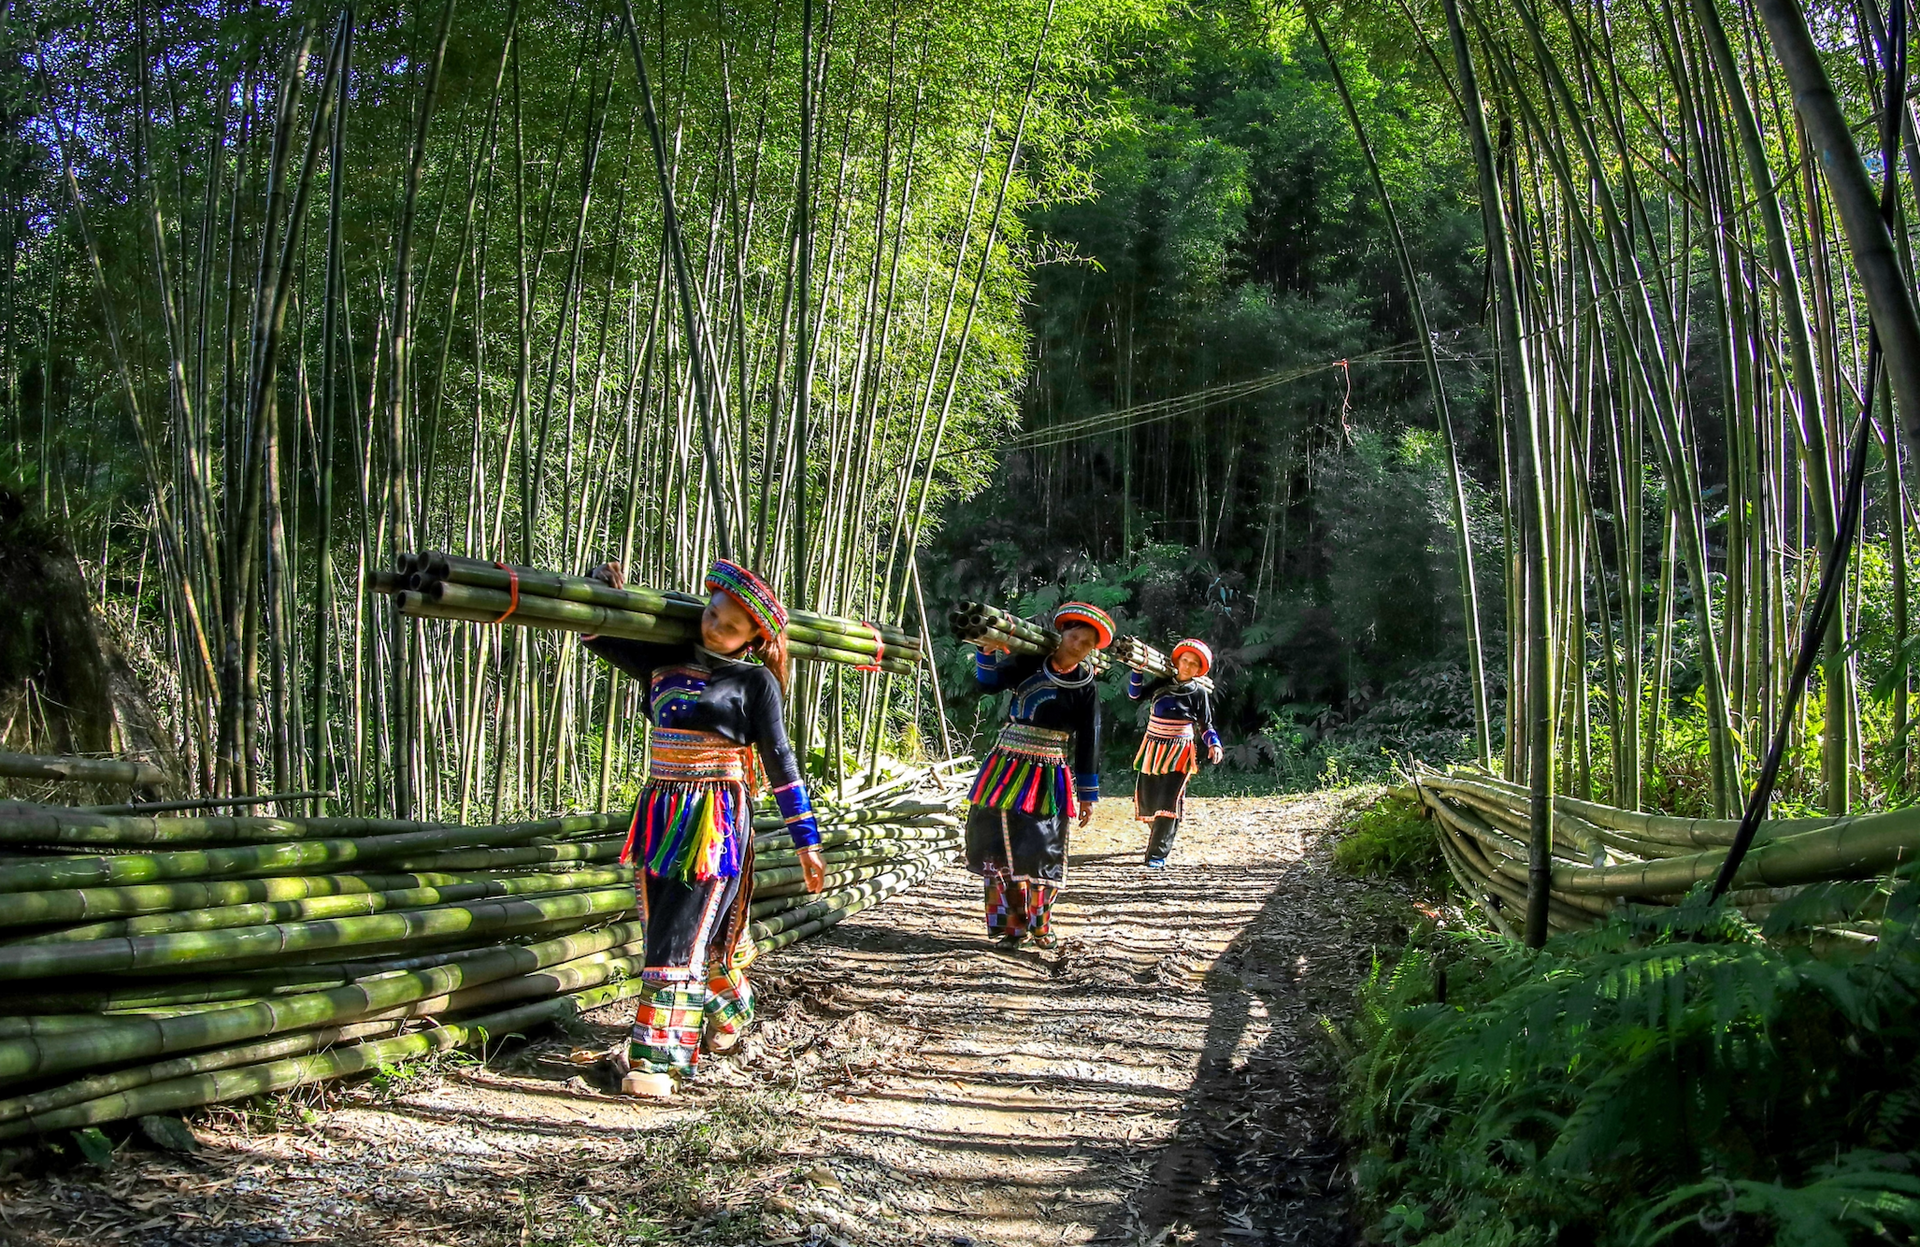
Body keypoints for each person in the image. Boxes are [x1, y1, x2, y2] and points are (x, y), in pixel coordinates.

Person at [582, 557, 827, 1098]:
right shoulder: (665, 657)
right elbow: (598, 634)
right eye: (712, 613)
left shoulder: (757, 683)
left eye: (730, 625)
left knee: (679, 934)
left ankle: (659, 1060)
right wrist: (603, 593)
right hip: (659, 811)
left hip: (714, 818)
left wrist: (806, 842)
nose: (714, 627)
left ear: (753, 639)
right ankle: (729, 1004)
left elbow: (781, 760)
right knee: (668, 928)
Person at [963, 602, 1112, 950]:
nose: (1078, 645)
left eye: (1087, 643)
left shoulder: (1086, 685)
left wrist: (1087, 794)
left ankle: (1041, 925)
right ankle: (1012, 928)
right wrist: (986, 652)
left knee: (1043, 846)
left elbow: (1090, 737)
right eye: (1074, 636)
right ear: (1062, 633)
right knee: (1001, 841)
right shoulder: (1028, 662)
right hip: (1007, 765)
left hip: (1048, 774)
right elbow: (988, 683)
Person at [1126, 639, 1222, 868]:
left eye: (1193, 664)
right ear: (1177, 661)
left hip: (1180, 752)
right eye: (1184, 661)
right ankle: (1157, 835)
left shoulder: (1198, 693)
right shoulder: (1161, 683)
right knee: (1149, 798)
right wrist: (1137, 670)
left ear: (1199, 670)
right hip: (1153, 749)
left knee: (1170, 800)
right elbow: (1135, 695)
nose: (1187, 666)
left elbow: (1205, 724)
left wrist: (1214, 744)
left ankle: (1157, 855)